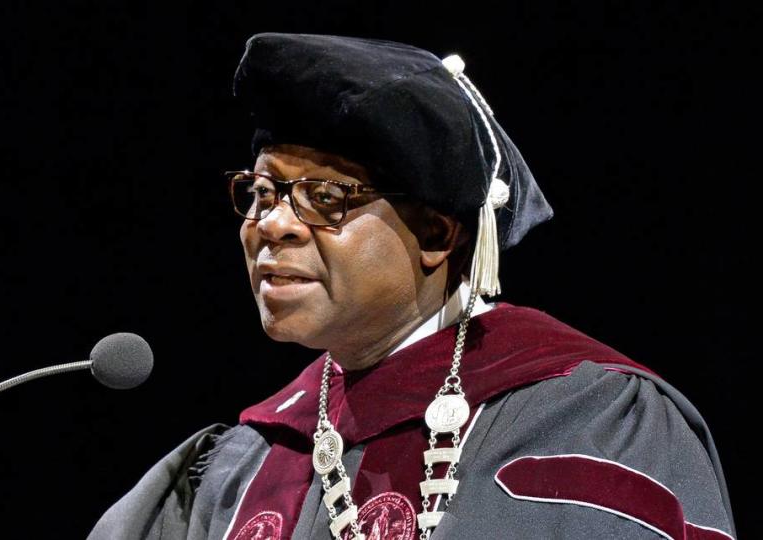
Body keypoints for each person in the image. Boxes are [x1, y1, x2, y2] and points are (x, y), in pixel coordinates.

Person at [88, 33, 736, 540]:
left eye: (323, 197)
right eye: (261, 194)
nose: (273, 226)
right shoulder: (239, 463)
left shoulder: (585, 418)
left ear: (435, 234)